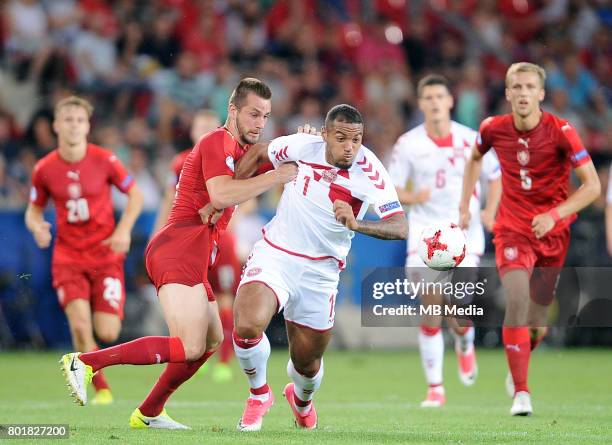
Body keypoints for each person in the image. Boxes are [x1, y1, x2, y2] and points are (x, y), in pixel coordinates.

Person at [59, 78, 298, 430]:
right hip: (180, 248)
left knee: (211, 341)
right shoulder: (218, 140)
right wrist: (277, 178)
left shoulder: (240, 152)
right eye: (253, 114)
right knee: (187, 345)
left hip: (194, 252)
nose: (260, 123)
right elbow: (220, 195)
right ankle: (87, 362)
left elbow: (272, 157)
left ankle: (150, 412)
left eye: (265, 116)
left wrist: (305, 139)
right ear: (232, 111)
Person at [230, 104, 407, 431]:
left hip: (322, 271)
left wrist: (357, 224)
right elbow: (258, 152)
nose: (350, 147)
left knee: (307, 364)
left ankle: (301, 401)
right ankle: (258, 395)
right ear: (325, 135)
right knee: (247, 324)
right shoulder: (301, 146)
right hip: (278, 252)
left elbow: (400, 227)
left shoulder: (371, 171)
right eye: (341, 138)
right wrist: (228, 196)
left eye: (356, 139)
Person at [459, 62, 600, 416]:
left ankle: (519, 358)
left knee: (537, 322)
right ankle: (522, 391)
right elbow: (474, 158)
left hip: (553, 233)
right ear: (507, 93)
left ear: (541, 94)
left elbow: (593, 187)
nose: (522, 94)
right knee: (517, 299)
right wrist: (469, 205)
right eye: (516, 87)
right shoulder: (493, 128)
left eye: (529, 88)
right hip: (513, 229)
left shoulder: (562, 131)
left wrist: (554, 215)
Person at [388, 74, 501, 408]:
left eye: (440, 96)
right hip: (425, 230)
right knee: (430, 307)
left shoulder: (472, 139)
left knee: (458, 309)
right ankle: (435, 387)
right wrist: (412, 194)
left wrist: (490, 211)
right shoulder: (408, 143)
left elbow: (495, 178)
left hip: (464, 230)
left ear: (450, 100)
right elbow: (391, 188)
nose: (435, 102)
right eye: (428, 97)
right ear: (421, 103)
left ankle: (465, 337)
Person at [25, 96, 144, 405]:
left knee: (108, 331)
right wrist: (37, 226)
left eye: (79, 120)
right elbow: (33, 210)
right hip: (68, 258)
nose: (74, 125)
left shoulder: (106, 160)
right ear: (55, 125)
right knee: (80, 326)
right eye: (68, 120)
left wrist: (123, 230)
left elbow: (135, 196)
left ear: (88, 126)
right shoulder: (45, 168)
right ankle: (102, 389)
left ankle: (94, 374)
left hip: (105, 255)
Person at [152, 108, 240, 382]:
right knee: (194, 303)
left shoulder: (228, 159)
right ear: (191, 132)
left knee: (225, 300)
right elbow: (170, 200)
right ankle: (189, 354)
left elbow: (237, 200)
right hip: (188, 243)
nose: (204, 131)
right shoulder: (181, 163)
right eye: (199, 126)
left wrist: (230, 234)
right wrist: (160, 233)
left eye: (209, 126)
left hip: (219, 242)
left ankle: (224, 361)